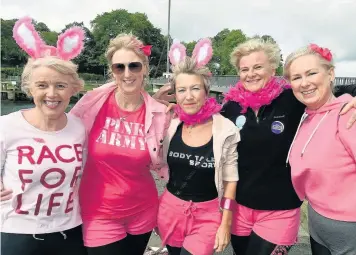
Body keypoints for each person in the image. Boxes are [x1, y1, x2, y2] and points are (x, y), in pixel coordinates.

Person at [219, 38, 356, 255]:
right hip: (241, 208)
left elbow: (331, 93)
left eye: (257, 67)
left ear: (272, 69)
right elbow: (203, 122)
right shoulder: (231, 107)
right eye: (244, 69)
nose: (250, 74)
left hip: (279, 209)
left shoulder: (293, 99)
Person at [70, 33, 170, 255]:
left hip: (143, 211)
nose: (127, 74)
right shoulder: (92, 103)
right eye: (119, 67)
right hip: (99, 213)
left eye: (134, 66)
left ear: (145, 68)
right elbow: (58, 133)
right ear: (111, 71)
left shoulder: (159, 113)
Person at [0, 17, 87, 255]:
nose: (51, 94)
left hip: (70, 231)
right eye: (42, 85)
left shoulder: (80, 129)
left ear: (73, 88)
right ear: (29, 88)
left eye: (60, 85)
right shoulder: (6, 126)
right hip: (17, 233)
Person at [156, 39, 239, 255]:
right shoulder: (170, 122)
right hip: (169, 210)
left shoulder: (225, 129)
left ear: (206, 91)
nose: (189, 96)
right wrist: (156, 99)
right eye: (182, 90)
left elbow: (230, 179)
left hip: (207, 216)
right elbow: (142, 117)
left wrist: (226, 223)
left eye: (195, 88)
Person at [285, 44, 356, 255]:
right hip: (317, 226)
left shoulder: (348, 115)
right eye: (296, 77)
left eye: (311, 73)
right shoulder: (306, 116)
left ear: (331, 73)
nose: (304, 83)